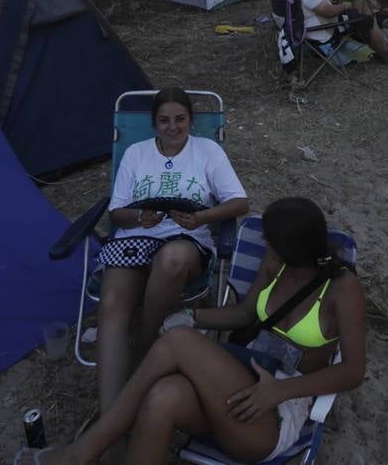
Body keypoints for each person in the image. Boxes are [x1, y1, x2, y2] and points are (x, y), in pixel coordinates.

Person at [19, 197, 367, 465]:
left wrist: (278, 392)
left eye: (270, 239)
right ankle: (93, 451)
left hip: (278, 412)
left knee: (177, 343)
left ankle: (81, 454)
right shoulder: (275, 263)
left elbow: (353, 371)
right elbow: (246, 314)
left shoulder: (340, 287)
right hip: (238, 380)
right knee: (163, 397)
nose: (263, 241)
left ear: (293, 248)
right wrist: (192, 316)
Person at [92, 88, 250, 448]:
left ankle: (144, 347)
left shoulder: (207, 151)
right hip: (137, 236)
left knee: (172, 258)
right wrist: (140, 217)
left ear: (191, 121)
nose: (173, 127)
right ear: (154, 124)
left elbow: (240, 202)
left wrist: (201, 217)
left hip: (186, 240)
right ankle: (111, 424)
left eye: (180, 119)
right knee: (113, 304)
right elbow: (117, 212)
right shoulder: (136, 153)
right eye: (164, 120)